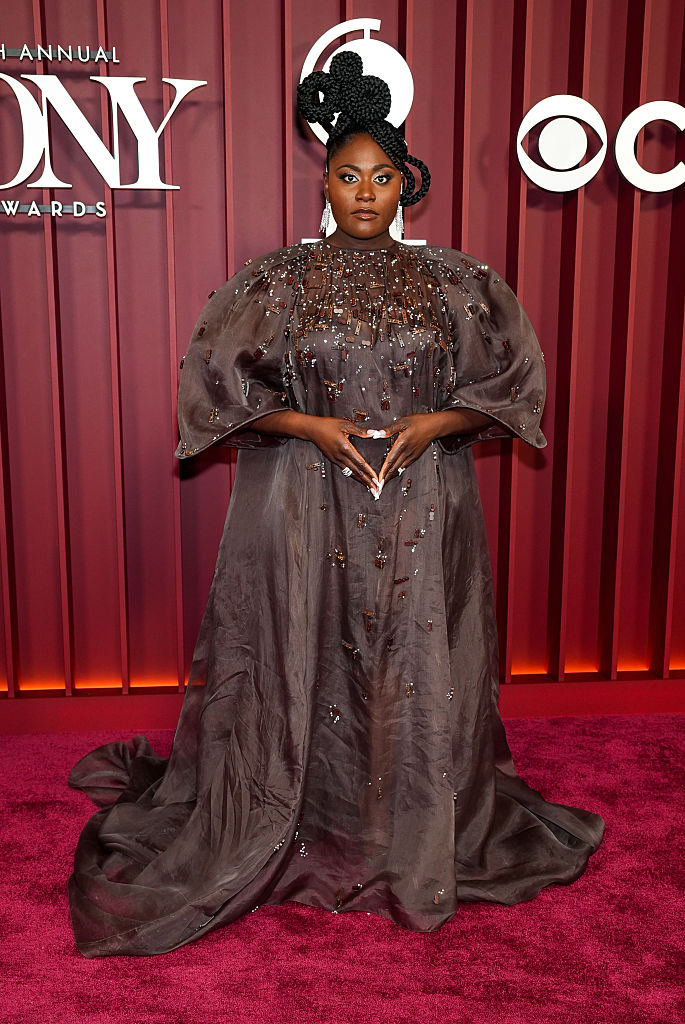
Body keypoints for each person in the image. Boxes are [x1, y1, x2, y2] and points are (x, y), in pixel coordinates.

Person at [67, 52, 605, 957]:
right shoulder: (279, 279)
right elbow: (215, 389)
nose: (364, 192)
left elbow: (512, 383)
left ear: (408, 186)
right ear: (326, 180)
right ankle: (306, 815)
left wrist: (437, 419)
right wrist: (311, 428)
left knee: (413, 654)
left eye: (381, 177)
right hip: (305, 506)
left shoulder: (454, 283)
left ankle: (413, 825)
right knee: (304, 655)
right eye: (347, 176)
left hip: (424, 505)